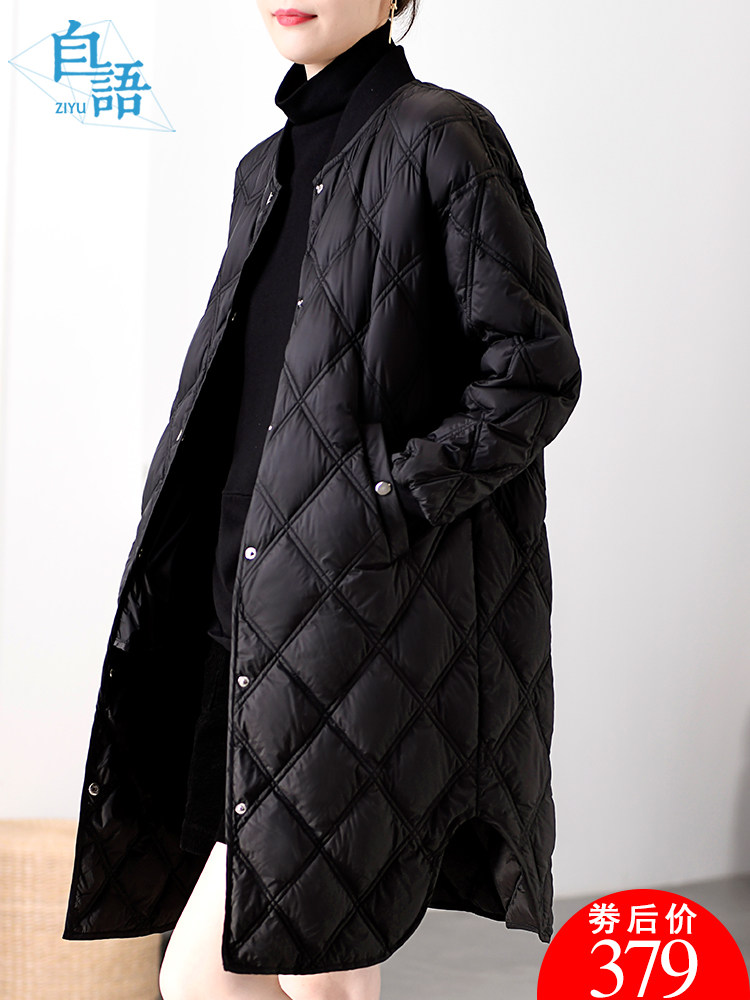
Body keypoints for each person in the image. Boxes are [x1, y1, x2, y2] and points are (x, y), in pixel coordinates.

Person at [62, 0, 582, 995]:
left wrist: (383, 500)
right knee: (242, 974)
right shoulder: (262, 169)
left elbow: (533, 372)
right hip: (236, 621)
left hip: (353, 627)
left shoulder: (442, 137)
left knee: (311, 974)